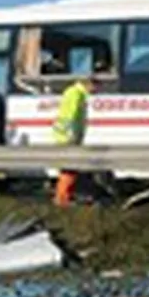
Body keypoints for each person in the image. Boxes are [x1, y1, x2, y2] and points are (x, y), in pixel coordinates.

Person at [52, 77, 93, 206]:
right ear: (87, 84)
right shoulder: (76, 94)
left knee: (68, 168)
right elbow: (72, 115)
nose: (95, 90)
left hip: (65, 136)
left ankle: (63, 197)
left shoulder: (75, 93)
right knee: (69, 168)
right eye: (95, 86)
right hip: (67, 137)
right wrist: (73, 135)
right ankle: (62, 199)